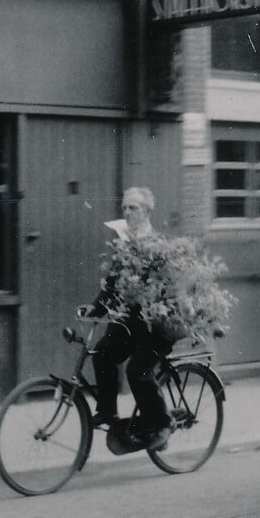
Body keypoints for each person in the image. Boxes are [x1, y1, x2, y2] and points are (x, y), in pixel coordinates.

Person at [81, 187, 173, 451]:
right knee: (101, 353)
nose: (127, 212)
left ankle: (161, 424)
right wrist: (95, 308)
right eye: (124, 208)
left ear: (147, 211)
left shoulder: (157, 243)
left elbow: (165, 286)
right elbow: (113, 282)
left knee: (137, 371)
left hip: (155, 327)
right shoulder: (124, 242)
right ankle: (108, 412)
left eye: (133, 208)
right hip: (130, 323)